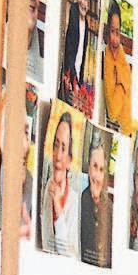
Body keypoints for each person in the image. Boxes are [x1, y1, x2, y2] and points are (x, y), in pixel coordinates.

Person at [38, 108, 79, 256]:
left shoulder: (74, 202)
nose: (58, 156)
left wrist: (58, 207)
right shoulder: (48, 187)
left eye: (63, 148)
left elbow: (67, 254)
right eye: (56, 145)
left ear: (69, 160)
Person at [76, 130, 111, 266]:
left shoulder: (110, 208)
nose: (97, 176)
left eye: (101, 170)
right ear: (89, 168)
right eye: (94, 167)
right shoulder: (79, 202)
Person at [100, 0, 134, 133]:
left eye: (118, 32)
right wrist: (122, 85)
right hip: (115, 127)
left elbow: (128, 82)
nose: (115, 38)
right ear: (108, 30)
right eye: (112, 31)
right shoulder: (107, 58)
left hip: (127, 126)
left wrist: (120, 80)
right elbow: (113, 112)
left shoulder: (121, 55)